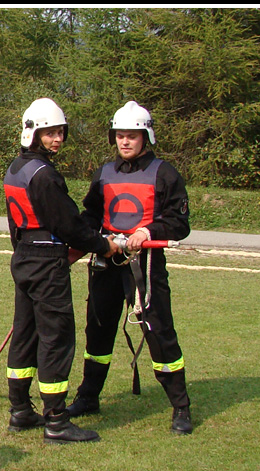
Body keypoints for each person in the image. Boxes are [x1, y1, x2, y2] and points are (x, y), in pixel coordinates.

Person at [67, 101, 193, 435]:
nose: (125, 142)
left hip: (145, 266)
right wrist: (77, 240)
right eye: (120, 135)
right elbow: (92, 216)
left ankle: (181, 406)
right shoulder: (103, 173)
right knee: (98, 331)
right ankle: (88, 397)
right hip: (106, 263)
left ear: (145, 136)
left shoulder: (165, 173)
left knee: (159, 333)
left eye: (132, 136)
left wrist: (147, 232)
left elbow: (179, 222)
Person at [3, 98, 119, 444]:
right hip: (46, 263)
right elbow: (68, 225)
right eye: (50, 133)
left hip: (24, 257)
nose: (56, 139)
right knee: (56, 338)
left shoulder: (16, 169)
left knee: (25, 335)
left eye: (60, 132)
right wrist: (103, 245)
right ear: (33, 134)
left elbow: (15, 223)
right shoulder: (44, 176)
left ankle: (21, 411)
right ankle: (56, 419)